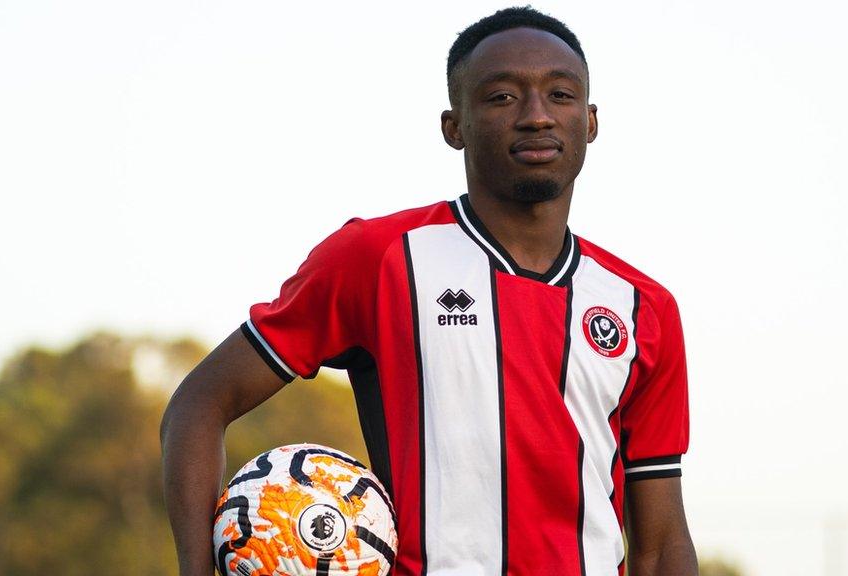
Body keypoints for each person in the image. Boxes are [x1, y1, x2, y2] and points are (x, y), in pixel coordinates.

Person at [161, 6, 697, 576]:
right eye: (502, 97)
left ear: (589, 122)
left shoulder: (643, 308)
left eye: (560, 95)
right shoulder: (377, 258)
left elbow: (661, 545)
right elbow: (198, 405)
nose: (537, 116)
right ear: (454, 126)